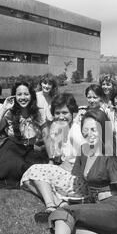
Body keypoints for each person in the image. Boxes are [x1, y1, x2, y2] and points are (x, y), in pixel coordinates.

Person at [20, 93, 88, 222]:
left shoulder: (77, 131)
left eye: (65, 113)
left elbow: (85, 159)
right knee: (27, 181)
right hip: (69, 176)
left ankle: (51, 206)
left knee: (34, 171)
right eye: (57, 113)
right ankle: (60, 204)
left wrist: (64, 166)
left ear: (73, 113)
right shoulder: (63, 129)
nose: (60, 117)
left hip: (77, 181)